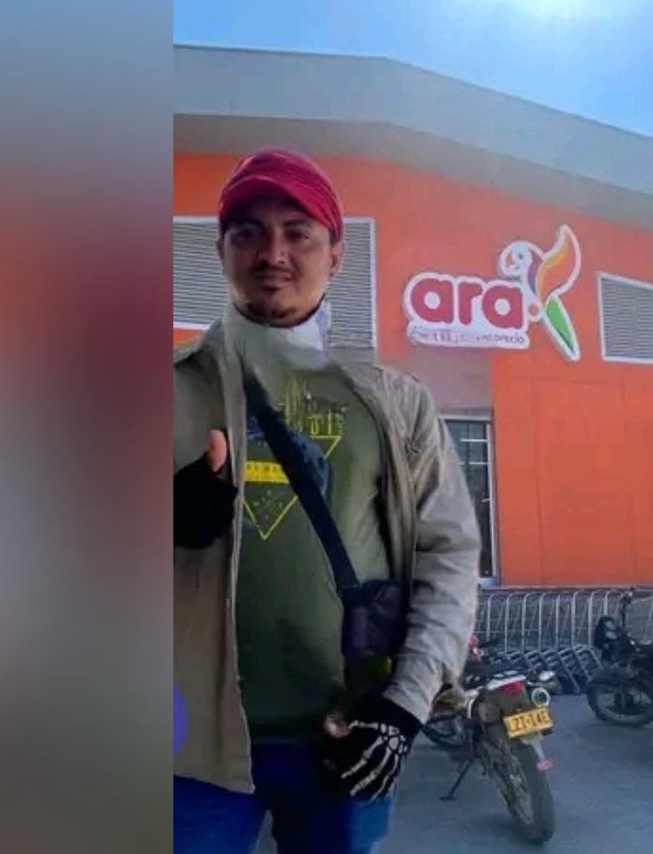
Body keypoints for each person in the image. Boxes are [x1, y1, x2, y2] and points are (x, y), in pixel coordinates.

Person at [173, 148, 482, 854]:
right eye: (248, 232)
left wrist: (404, 707)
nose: (272, 253)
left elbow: (451, 557)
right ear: (220, 252)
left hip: (346, 735)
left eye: (298, 233)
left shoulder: (395, 404)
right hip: (187, 748)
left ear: (336, 255)